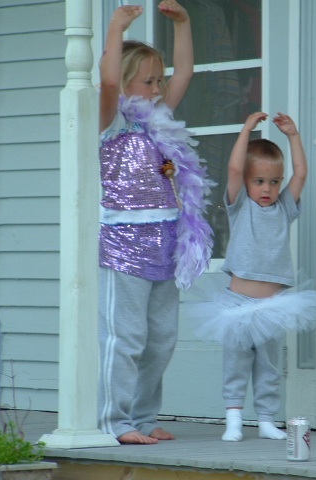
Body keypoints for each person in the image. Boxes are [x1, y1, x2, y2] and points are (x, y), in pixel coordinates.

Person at [97, 1, 213, 445]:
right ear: (126, 82)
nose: (158, 87)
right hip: (122, 241)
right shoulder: (110, 122)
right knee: (124, 338)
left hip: (165, 239)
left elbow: (184, 72)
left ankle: (144, 418)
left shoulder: (158, 121)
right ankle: (115, 421)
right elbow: (107, 81)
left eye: (157, 79)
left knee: (161, 339)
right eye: (148, 80)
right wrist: (115, 27)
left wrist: (183, 24)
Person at [187, 112, 316, 441]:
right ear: (246, 183)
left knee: (269, 366)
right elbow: (233, 168)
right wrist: (246, 129)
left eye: (274, 182)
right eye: (259, 181)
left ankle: (265, 419)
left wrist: (293, 136)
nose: (267, 188)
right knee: (236, 363)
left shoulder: (285, 207)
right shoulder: (240, 206)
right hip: (237, 303)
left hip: (272, 305)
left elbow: (301, 172)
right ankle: (233, 418)